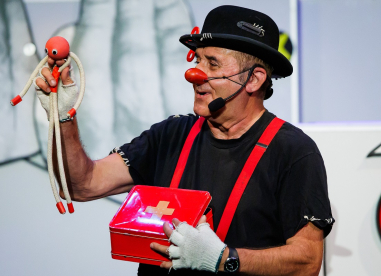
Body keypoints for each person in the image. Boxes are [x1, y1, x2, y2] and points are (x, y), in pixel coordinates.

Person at [35, 5, 334, 276]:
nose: (195, 74)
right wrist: (63, 117)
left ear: (253, 80)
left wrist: (224, 258)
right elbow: (81, 184)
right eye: (197, 60)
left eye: (213, 64)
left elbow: (307, 260)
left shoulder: (294, 152)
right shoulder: (170, 136)